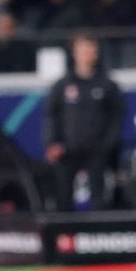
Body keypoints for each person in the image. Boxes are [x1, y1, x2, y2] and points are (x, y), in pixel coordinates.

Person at [45, 36, 126, 210]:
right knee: (63, 198)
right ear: (74, 53)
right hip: (68, 150)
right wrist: (52, 142)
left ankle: (98, 233)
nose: (87, 55)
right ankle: (64, 233)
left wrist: (108, 144)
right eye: (83, 50)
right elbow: (52, 116)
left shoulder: (107, 86)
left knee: (99, 199)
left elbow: (117, 117)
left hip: (98, 151)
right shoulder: (62, 86)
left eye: (91, 50)